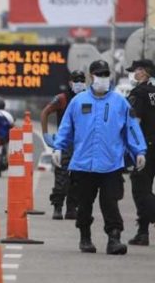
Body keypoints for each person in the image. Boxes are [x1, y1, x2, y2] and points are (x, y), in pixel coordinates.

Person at [53, 60, 147, 255]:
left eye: (105, 74)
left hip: (111, 164)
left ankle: (114, 238)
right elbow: (66, 128)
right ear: (91, 76)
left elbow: (131, 128)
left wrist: (139, 151)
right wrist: (58, 147)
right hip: (83, 164)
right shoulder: (78, 102)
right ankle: (85, 237)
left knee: (110, 202)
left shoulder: (119, 102)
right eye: (99, 74)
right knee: (84, 203)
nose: (102, 78)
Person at [41, 70, 86, 220]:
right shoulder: (62, 98)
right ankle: (58, 206)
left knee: (79, 177)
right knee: (61, 176)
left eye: (81, 80)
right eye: (76, 80)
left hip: (82, 143)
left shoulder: (88, 98)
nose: (79, 83)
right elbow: (45, 112)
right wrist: (46, 134)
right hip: (64, 143)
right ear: (70, 82)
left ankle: (72, 207)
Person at [125, 59, 155, 245]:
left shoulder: (139, 93)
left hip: (147, 147)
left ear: (143, 72)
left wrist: (134, 148)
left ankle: (143, 231)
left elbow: (133, 122)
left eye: (135, 71)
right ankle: (142, 232)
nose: (133, 74)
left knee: (141, 188)